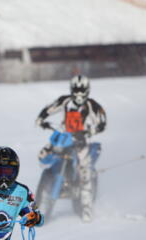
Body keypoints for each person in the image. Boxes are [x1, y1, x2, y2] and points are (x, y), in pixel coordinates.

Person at [35, 74, 106, 221]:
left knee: (84, 170)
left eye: (82, 90)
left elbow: (102, 122)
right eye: (76, 90)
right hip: (64, 137)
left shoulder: (92, 105)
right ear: (72, 89)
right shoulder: (65, 101)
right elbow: (50, 108)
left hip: (81, 142)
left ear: (87, 90)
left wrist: (89, 132)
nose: (79, 94)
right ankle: (41, 200)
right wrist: (41, 119)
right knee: (44, 154)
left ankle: (86, 208)